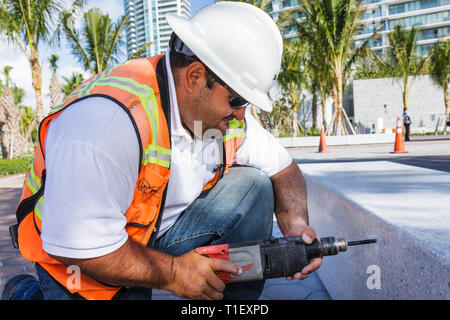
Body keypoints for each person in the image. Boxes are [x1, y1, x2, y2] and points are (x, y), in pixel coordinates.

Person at [3, 2, 321, 300]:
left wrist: (296, 226)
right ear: (195, 77)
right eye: (237, 100)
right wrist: (173, 274)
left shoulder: (226, 118)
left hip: (154, 232)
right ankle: (26, 293)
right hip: (79, 258)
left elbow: (284, 169)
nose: (241, 113)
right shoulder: (107, 122)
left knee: (254, 186)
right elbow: (79, 245)